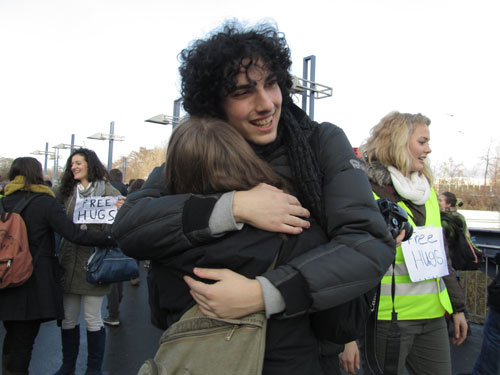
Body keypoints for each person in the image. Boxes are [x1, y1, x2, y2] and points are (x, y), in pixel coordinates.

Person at [112, 20, 395, 373]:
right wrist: (234, 207)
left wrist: (264, 293)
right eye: (243, 92)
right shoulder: (198, 154)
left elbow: (368, 242)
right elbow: (130, 226)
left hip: (304, 354)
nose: (266, 104)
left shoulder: (320, 143)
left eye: (271, 84)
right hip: (208, 354)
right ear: (215, 104)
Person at [160, 116, 334, 373]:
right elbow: (339, 323)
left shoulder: (164, 238)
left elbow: (159, 314)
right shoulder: (295, 227)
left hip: (193, 362)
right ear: (242, 157)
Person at [344, 111, 468, 375]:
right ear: (399, 142)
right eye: (422, 142)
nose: (429, 149)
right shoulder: (366, 190)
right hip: (388, 320)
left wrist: (457, 308)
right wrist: (347, 335)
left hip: (434, 316)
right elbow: (349, 261)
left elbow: (441, 256)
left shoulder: (428, 192)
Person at [0, 157, 115, 375]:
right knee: (24, 340)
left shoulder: (3, 200)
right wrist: (108, 238)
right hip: (31, 280)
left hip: (4, 276)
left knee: (11, 335)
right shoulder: (45, 202)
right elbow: (72, 234)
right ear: (37, 174)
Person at [54, 148, 121, 375]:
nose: (73, 167)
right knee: (68, 318)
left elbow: (117, 226)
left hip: (95, 263)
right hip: (68, 262)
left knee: (93, 318)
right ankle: (68, 365)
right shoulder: (65, 192)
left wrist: (121, 209)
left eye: (78, 163)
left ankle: (94, 369)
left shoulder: (109, 193)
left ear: (90, 164)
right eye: (71, 163)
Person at [103, 169, 127, 327]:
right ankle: (116, 304)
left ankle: (113, 312)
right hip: (121, 234)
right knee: (118, 273)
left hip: (107, 234)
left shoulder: (106, 193)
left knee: (110, 275)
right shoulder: (125, 191)